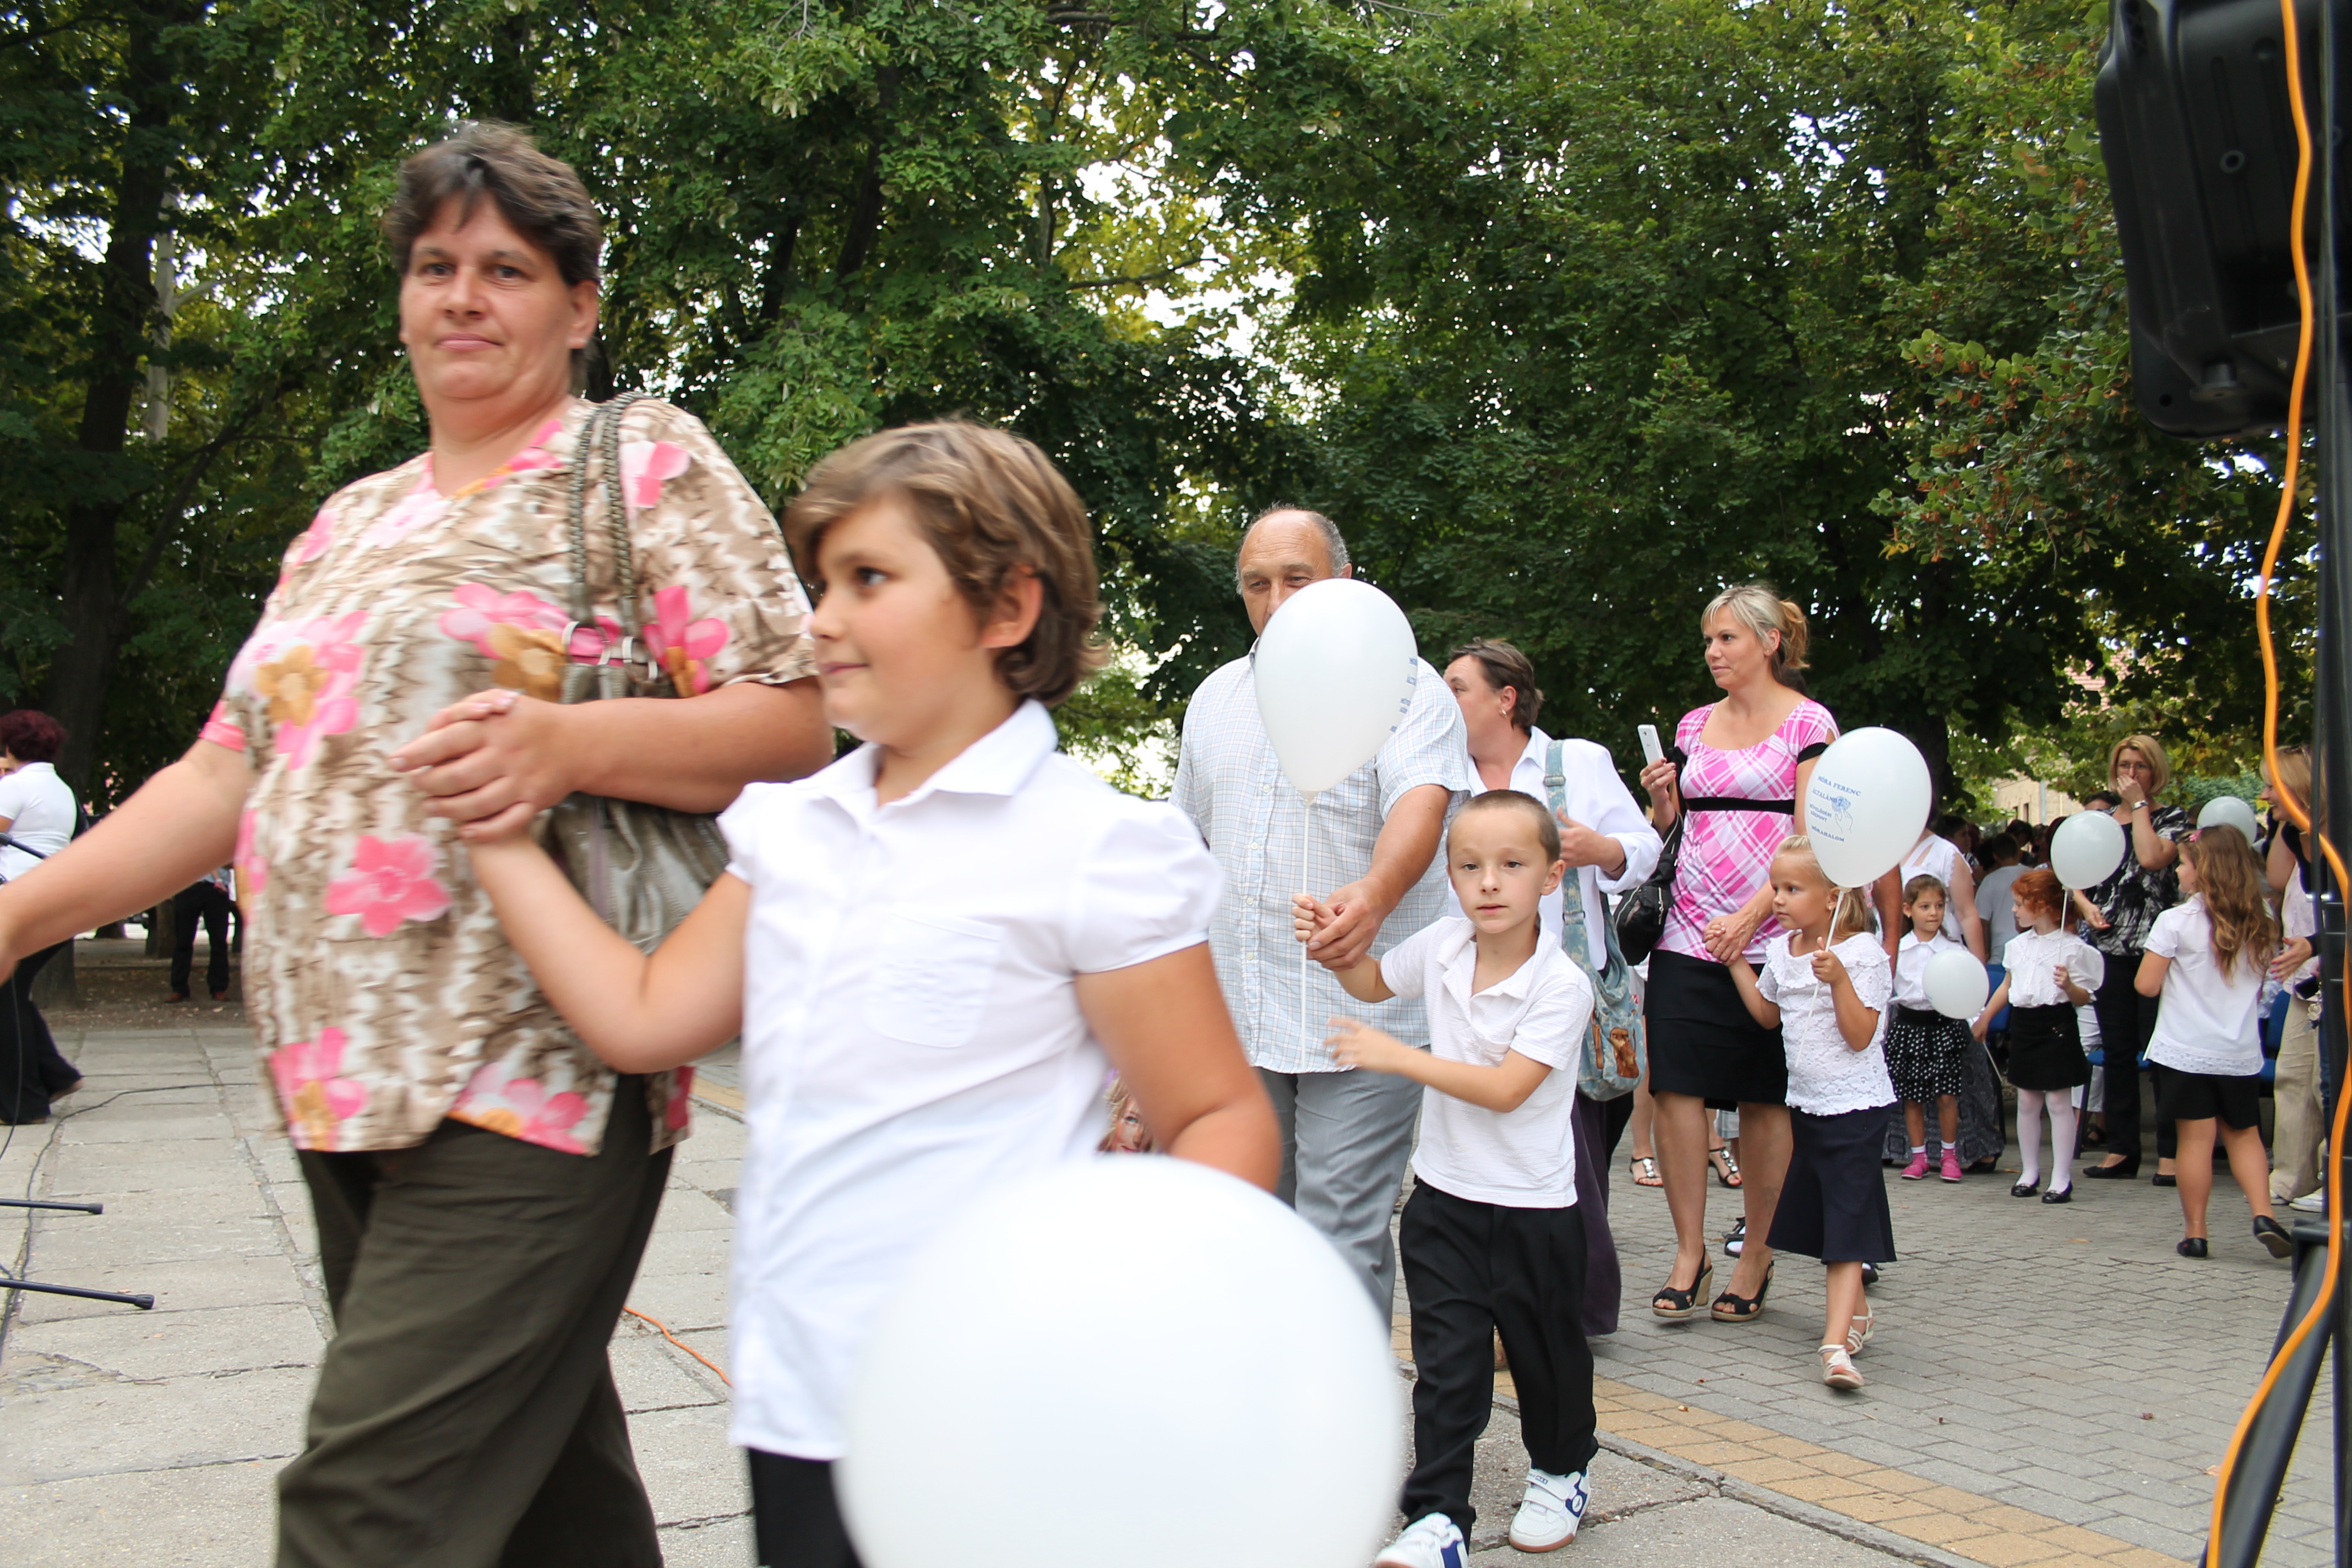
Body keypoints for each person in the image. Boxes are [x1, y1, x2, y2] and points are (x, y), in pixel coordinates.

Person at [0, 124, 835, 1566]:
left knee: (364, 1513)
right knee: (543, 1503)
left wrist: (569, 743)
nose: (463, 295)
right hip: (337, 1073)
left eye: (507, 269)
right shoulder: (350, 523)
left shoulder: (639, 464)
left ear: (579, 306)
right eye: (435, 266)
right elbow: (222, 775)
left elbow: (794, 718)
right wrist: (15, 923)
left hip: (534, 1070)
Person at [464, 420, 1279, 1566]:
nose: (822, 618)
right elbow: (644, 1017)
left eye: (870, 579)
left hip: (999, 1416)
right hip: (802, 1401)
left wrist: (1126, 1318)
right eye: (821, 584)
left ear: (1006, 608)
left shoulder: (1093, 845)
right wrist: (495, 837)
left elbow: (1219, 1115)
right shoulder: (791, 828)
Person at [1174, 508, 1472, 1310]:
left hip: (1360, 1018)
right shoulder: (1216, 698)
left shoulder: (1409, 687)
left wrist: (1375, 893)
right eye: (1257, 584)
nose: (1276, 602)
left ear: (1343, 582)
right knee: (1257, 1231)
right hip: (1240, 1018)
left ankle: (1348, 1394)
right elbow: (1187, 844)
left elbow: (1422, 802)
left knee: (1339, 1236)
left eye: (1296, 580)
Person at [1299, 790, 1598, 1566]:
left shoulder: (1562, 985)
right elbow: (1373, 984)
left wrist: (1397, 1056)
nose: (1489, 882)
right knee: (1446, 1365)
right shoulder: (1441, 944)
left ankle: (1561, 1470)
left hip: (1535, 1211)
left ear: (1551, 876)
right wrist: (1335, 947)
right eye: (1469, 866)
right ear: (1452, 876)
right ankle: (1437, 1516)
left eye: (1511, 864)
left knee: (1546, 1360)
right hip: (1444, 1202)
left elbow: (1506, 1089)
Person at [1444, 637, 1661, 1335]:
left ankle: (1568, 1314)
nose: (1443, 701)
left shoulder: (1577, 762)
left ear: (1505, 699)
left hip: (1564, 993)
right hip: (1472, 998)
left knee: (1569, 1162)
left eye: (1457, 687)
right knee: (1487, 1159)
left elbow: (1648, 848)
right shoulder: (1440, 777)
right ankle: (1518, 1313)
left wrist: (1604, 849)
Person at [1636, 584, 1837, 1325]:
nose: (1713, 652)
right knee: (1676, 1088)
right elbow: (1675, 828)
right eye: (1709, 640)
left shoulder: (1810, 723)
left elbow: (1811, 838)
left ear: (1769, 641)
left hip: (1771, 934)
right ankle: (1690, 1251)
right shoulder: (1693, 723)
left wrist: (1753, 916)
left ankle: (1757, 1253)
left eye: (1727, 638)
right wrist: (1662, 799)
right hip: (1687, 929)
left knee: (1763, 1095)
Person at [1723, 836, 1895, 1391]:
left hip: (1856, 1109)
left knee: (1845, 1225)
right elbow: (1767, 1014)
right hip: (1807, 1107)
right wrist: (1735, 963)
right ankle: (1858, 1314)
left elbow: (1861, 1035)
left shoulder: (1863, 954)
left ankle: (1835, 1345)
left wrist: (1839, 979)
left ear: (1832, 898)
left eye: (1792, 888)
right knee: (1830, 1216)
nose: (1777, 898)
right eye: (1776, 886)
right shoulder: (1783, 951)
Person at [2136, 825, 2291, 1261]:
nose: (2178, 871)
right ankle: (2263, 1214)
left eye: (2184, 864)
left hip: (2185, 1048)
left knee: (2196, 1141)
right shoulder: (2261, 918)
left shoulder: (2175, 921)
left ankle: (2197, 1233)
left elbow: (2146, 985)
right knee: (2245, 1135)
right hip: (2238, 1048)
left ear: (2203, 870)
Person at [2077, 737, 2193, 1184]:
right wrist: (2086, 906)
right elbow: (2075, 874)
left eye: (2140, 766)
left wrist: (2140, 806)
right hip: (2110, 948)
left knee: (2162, 1051)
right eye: (2124, 765)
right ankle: (2122, 1149)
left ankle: (2171, 1153)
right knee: (2118, 1052)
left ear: (2154, 771)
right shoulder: (2101, 822)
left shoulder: (2170, 818)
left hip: (2156, 950)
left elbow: (2151, 858)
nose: (2130, 773)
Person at [1974, 869, 2101, 1203]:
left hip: (2056, 1024)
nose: (2013, 910)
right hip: (2025, 1025)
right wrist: (1986, 1016)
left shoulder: (2072, 948)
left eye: (2020, 904)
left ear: (2043, 906)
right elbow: (2008, 985)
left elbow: (2084, 997)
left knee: (2058, 1102)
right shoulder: (2017, 947)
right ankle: (2029, 1171)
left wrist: (2069, 986)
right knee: (2027, 1101)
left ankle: (2061, 1176)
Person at [0, 710, 83, 1123]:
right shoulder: (61, 790)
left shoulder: (14, 786)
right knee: (11, 994)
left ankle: (25, 1101)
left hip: (20, 902)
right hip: (57, 902)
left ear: (10, 746)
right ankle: (53, 1075)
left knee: (5, 997)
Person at [2264, 747, 2326, 1212]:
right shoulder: (2290, 834)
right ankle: (2289, 1177)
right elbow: (2278, 881)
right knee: (2293, 1077)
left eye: (2272, 786)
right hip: (2305, 979)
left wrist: (2315, 944)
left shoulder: (2339, 835)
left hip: (2337, 976)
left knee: (2330, 1082)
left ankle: (2334, 1176)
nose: (2265, 795)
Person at [1886, 875, 1970, 1183]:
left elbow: (1966, 988)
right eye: (1925, 907)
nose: (1933, 913)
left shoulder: (1953, 950)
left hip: (1942, 1026)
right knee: (1912, 1097)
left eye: (1939, 906)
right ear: (1908, 910)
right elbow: (1888, 990)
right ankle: (1918, 1156)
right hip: (1909, 1027)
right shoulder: (1899, 950)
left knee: (1946, 1095)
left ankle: (1949, 1155)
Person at [169, 864, 237, 1002]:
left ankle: (219, 988)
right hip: (188, 886)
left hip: (216, 890)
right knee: (183, 941)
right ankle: (179, 988)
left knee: (219, 942)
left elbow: (233, 862)